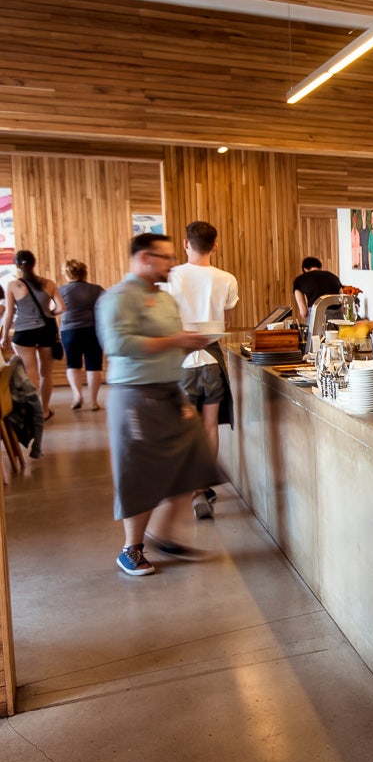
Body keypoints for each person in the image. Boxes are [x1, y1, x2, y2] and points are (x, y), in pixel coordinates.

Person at [96, 233, 220, 576]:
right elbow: (119, 343)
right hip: (134, 393)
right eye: (165, 258)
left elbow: (169, 341)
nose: (171, 264)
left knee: (194, 460)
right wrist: (176, 340)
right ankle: (130, 549)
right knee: (139, 472)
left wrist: (185, 344)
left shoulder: (165, 299)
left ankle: (162, 534)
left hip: (171, 388)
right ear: (145, 258)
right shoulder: (117, 298)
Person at [164, 221, 239, 520]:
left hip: (180, 361)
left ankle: (191, 490)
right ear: (215, 245)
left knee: (184, 429)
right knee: (209, 426)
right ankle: (203, 487)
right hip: (211, 359)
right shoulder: (227, 278)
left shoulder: (171, 276)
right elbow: (227, 321)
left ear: (185, 243)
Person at [1, 249, 66, 419]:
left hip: (23, 333)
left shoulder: (13, 285)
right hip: (45, 332)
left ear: (17, 265)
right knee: (46, 374)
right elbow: (61, 308)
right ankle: (44, 411)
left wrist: (4, 335)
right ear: (34, 263)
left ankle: (33, 412)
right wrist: (49, 314)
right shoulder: (49, 283)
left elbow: (9, 313)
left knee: (30, 373)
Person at [58, 259, 106, 411]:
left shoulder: (61, 291)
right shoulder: (97, 289)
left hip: (69, 331)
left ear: (67, 274)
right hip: (92, 329)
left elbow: (53, 309)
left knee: (73, 364)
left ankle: (77, 395)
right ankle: (93, 401)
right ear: (84, 272)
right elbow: (105, 308)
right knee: (94, 366)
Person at [292, 256, 344, 321]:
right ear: (320, 268)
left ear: (305, 269)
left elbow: (304, 312)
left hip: (317, 320)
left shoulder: (299, 280)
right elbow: (343, 305)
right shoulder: (334, 277)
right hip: (338, 320)